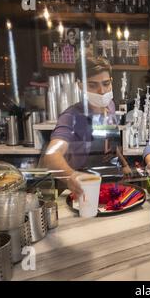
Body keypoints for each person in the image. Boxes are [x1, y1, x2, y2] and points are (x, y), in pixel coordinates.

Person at [43, 56, 131, 197]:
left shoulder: (110, 105)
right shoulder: (71, 117)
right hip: (84, 190)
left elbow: (110, 143)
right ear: (80, 85)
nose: (101, 91)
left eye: (105, 83)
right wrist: (71, 176)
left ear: (111, 82)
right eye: (92, 85)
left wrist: (124, 164)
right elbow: (51, 155)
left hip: (111, 182)